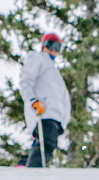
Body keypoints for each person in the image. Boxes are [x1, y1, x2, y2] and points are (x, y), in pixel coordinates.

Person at [19, 32, 71, 167]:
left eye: (57, 47)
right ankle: (33, 171)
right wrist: (33, 101)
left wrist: (63, 120)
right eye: (51, 45)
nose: (54, 50)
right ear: (44, 46)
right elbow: (26, 82)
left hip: (55, 115)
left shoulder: (53, 69)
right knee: (46, 143)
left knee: (47, 143)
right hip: (44, 112)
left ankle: (24, 165)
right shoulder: (38, 59)